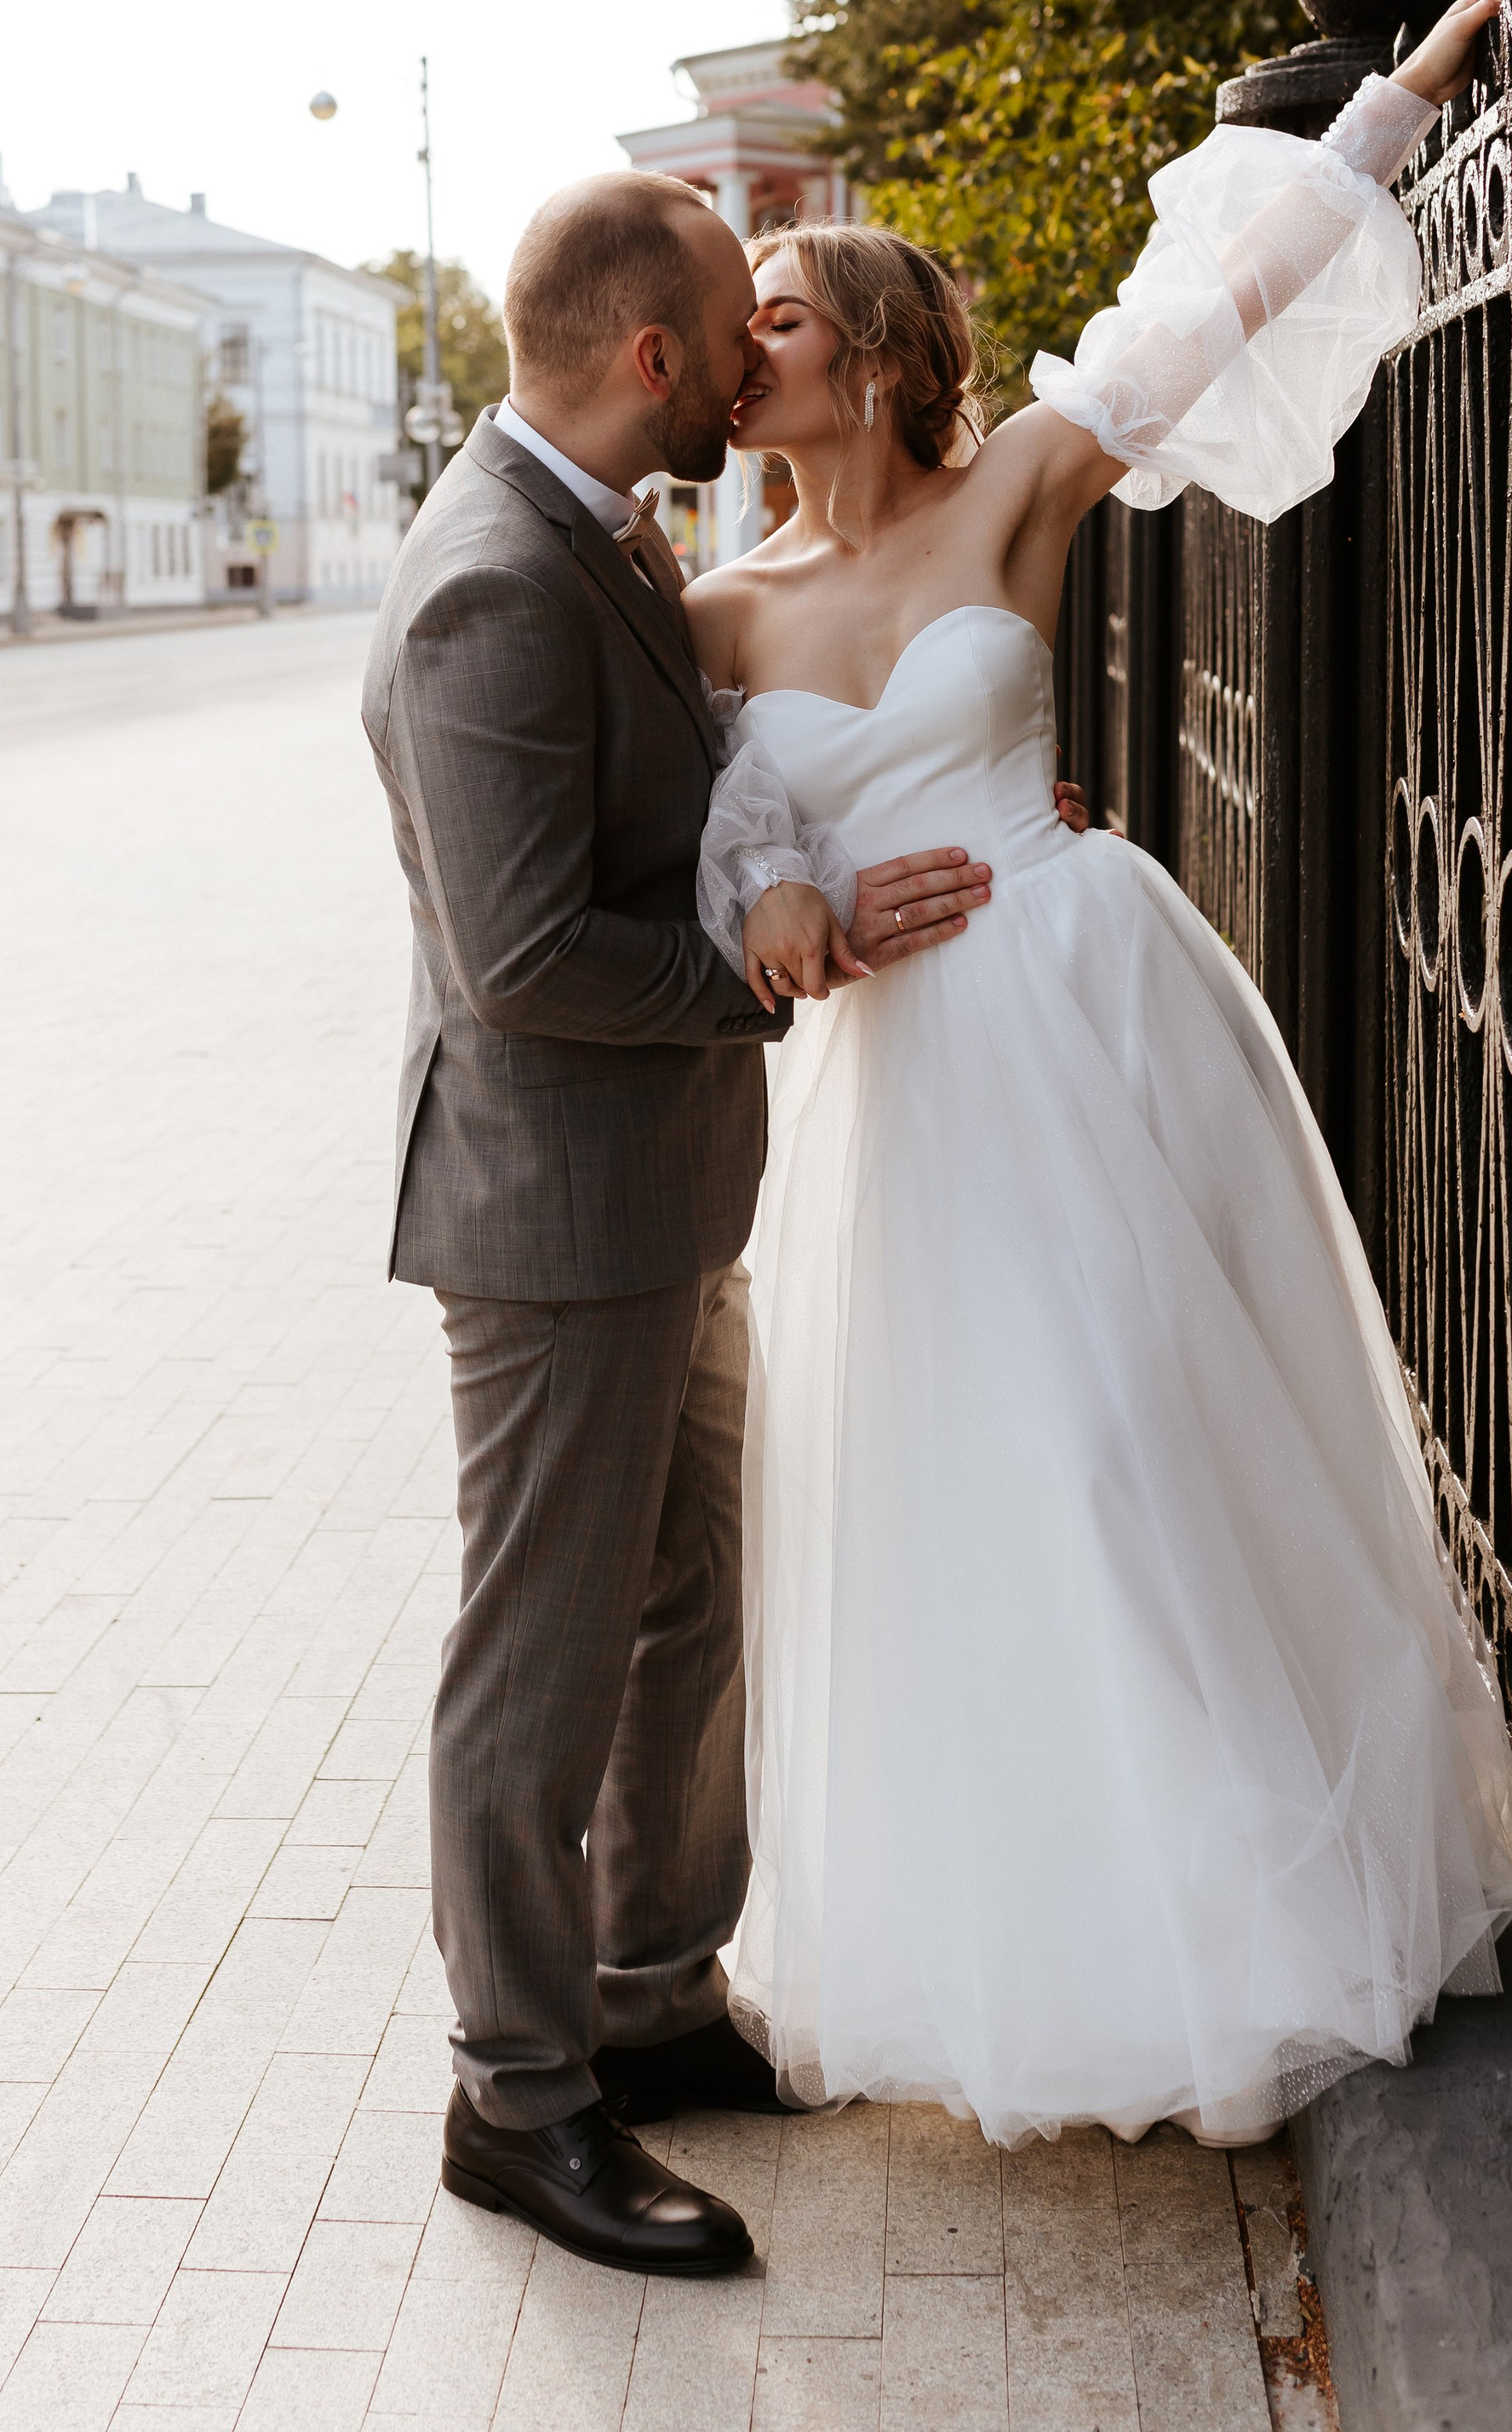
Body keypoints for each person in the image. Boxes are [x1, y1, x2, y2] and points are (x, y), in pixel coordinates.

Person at [682, 0, 1512, 2148]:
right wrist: (782, 898)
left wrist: (1397, 103)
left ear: (863, 349)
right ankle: (1031, 1937)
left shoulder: (1018, 494)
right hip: (903, 1095)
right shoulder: (711, 613)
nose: (732, 340)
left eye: (769, 309)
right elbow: (701, 827)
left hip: (1069, 1011)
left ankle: (1237, 1916)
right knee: (966, 1483)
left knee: (1121, 1442)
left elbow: (1209, 303)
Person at [360, 169, 1085, 2274]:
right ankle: (519, 2098)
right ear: (659, 359)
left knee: (697, 1594)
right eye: (732, 324)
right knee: (542, 1655)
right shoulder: (491, 577)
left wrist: (938, 825)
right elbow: (521, 962)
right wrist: (805, 957)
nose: (759, 355)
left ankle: (650, 2001)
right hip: (553, 1212)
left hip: (659, 1191)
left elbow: (713, 796)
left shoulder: (606, 532)